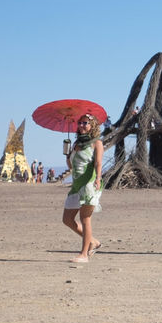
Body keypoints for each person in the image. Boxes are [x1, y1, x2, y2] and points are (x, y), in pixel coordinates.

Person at [63, 113, 104, 263]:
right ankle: (92, 242)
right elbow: (72, 167)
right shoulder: (75, 144)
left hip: (89, 183)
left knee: (85, 218)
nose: (81, 125)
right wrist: (68, 155)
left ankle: (84, 254)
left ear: (92, 126)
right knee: (67, 219)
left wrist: (98, 179)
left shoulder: (96, 143)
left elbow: (98, 163)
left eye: (85, 123)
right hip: (76, 184)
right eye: (79, 122)